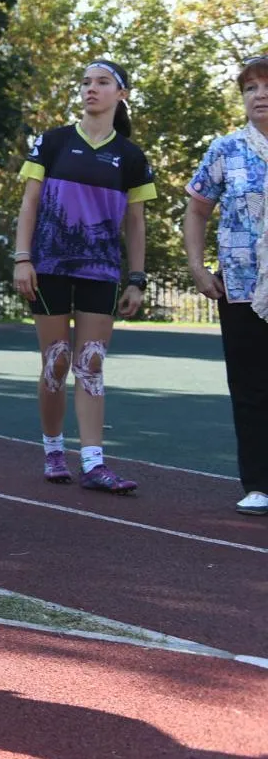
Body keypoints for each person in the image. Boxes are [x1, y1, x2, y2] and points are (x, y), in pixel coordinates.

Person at [12, 60, 151, 494]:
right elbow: (29, 204)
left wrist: (137, 278)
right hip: (48, 267)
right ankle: (54, 450)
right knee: (55, 361)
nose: (91, 89)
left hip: (101, 272)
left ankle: (94, 463)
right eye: (86, 81)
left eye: (103, 82)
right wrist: (22, 258)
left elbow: (136, 222)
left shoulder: (130, 156)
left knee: (89, 364)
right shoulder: (51, 142)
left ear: (121, 94)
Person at [185, 55, 268, 516]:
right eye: (251, 88)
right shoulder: (226, 150)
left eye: (267, 86)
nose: (260, 95)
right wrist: (198, 267)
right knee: (251, 389)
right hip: (240, 288)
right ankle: (258, 483)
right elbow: (197, 209)